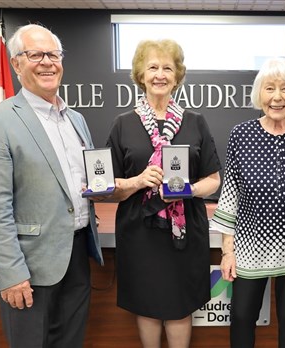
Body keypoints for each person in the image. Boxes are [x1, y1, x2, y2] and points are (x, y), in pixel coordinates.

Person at [0, 24, 104, 347]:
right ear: (16, 64)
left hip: (75, 254)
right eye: (35, 55)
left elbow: (79, 184)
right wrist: (11, 273)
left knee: (70, 342)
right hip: (30, 265)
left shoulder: (76, 119)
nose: (47, 62)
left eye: (54, 54)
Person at [106, 39, 221, 348]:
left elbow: (214, 179)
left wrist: (189, 189)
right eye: (153, 67)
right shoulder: (123, 125)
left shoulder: (195, 122)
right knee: (147, 305)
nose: (160, 74)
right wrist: (138, 181)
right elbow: (108, 189)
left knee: (180, 304)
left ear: (177, 75)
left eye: (167, 68)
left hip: (183, 234)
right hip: (139, 234)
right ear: (141, 75)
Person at [211, 57, 285, 347]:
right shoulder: (241, 135)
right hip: (250, 247)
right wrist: (228, 252)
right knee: (241, 317)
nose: (277, 97)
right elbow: (231, 193)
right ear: (259, 94)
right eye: (269, 89)